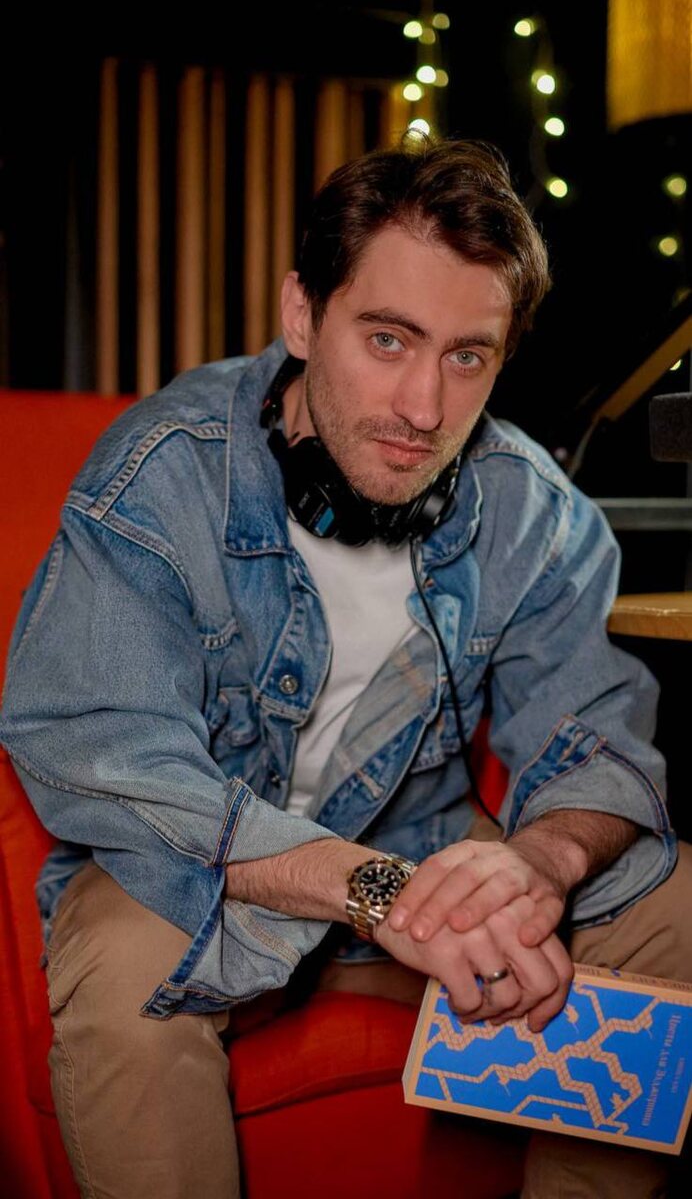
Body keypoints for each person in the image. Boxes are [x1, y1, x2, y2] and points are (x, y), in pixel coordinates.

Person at [0, 138, 689, 1199]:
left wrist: (537, 865)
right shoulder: (161, 475)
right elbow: (111, 757)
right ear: (300, 314)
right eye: (387, 338)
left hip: (420, 857)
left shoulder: (529, 509)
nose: (423, 406)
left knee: (674, 904)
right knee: (129, 973)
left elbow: (592, 737)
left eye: (467, 356)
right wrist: (377, 893)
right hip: (204, 875)